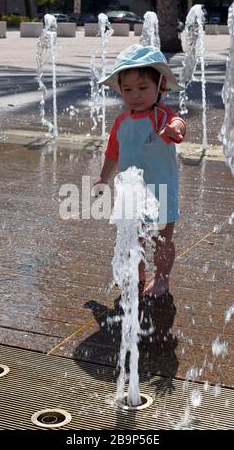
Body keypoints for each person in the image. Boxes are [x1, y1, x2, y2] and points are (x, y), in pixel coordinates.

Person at [94, 44, 186, 298]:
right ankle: (138, 275)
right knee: (132, 240)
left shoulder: (161, 116)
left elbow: (177, 121)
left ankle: (162, 279)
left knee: (161, 240)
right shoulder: (122, 121)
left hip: (161, 190)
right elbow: (113, 152)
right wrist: (103, 178)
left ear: (160, 86)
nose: (135, 95)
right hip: (130, 192)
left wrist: (175, 130)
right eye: (128, 89)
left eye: (143, 88)